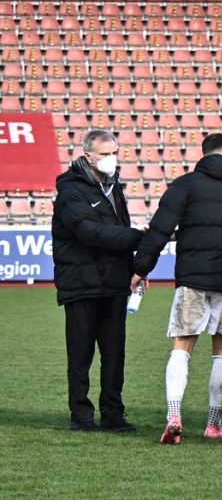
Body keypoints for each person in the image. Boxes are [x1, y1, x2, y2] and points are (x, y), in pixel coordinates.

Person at [132, 131, 222, 444]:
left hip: (194, 276)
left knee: (182, 347)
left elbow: (161, 229)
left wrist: (140, 269)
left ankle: (174, 414)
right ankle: (213, 424)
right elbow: (216, 225)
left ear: (203, 154)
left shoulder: (184, 185)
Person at [52, 129, 144, 433]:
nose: (111, 159)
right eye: (105, 154)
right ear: (87, 155)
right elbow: (89, 231)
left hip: (114, 283)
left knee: (114, 354)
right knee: (80, 354)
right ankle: (80, 416)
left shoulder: (113, 186)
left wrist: (136, 271)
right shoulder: (71, 190)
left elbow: (118, 230)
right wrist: (141, 238)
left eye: (114, 153)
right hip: (81, 283)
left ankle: (112, 414)